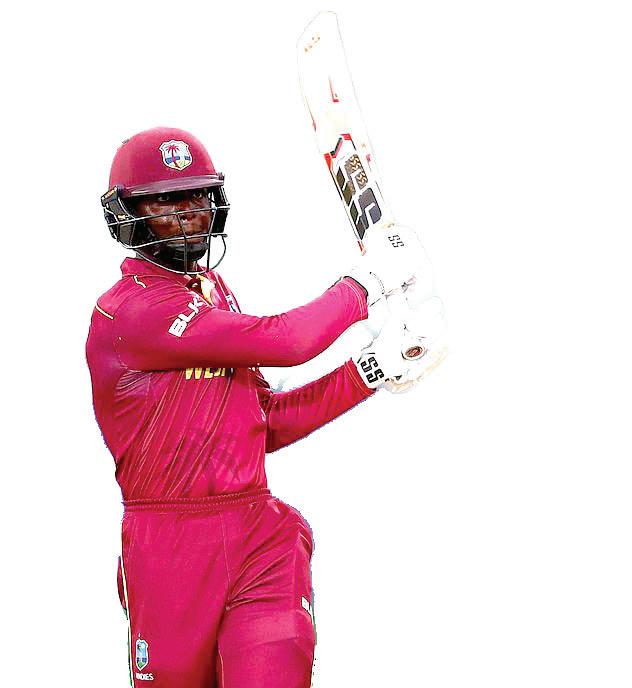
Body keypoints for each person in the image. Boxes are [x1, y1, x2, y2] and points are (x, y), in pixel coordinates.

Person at [86, 126, 444, 688]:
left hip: (260, 540)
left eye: (196, 196)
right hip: (169, 552)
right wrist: (364, 285)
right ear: (126, 214)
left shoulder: (214, 292)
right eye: (164, 201)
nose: (186, 213)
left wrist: (370, 371)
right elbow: (286, 341)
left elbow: (265, 423)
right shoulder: (128, 313)